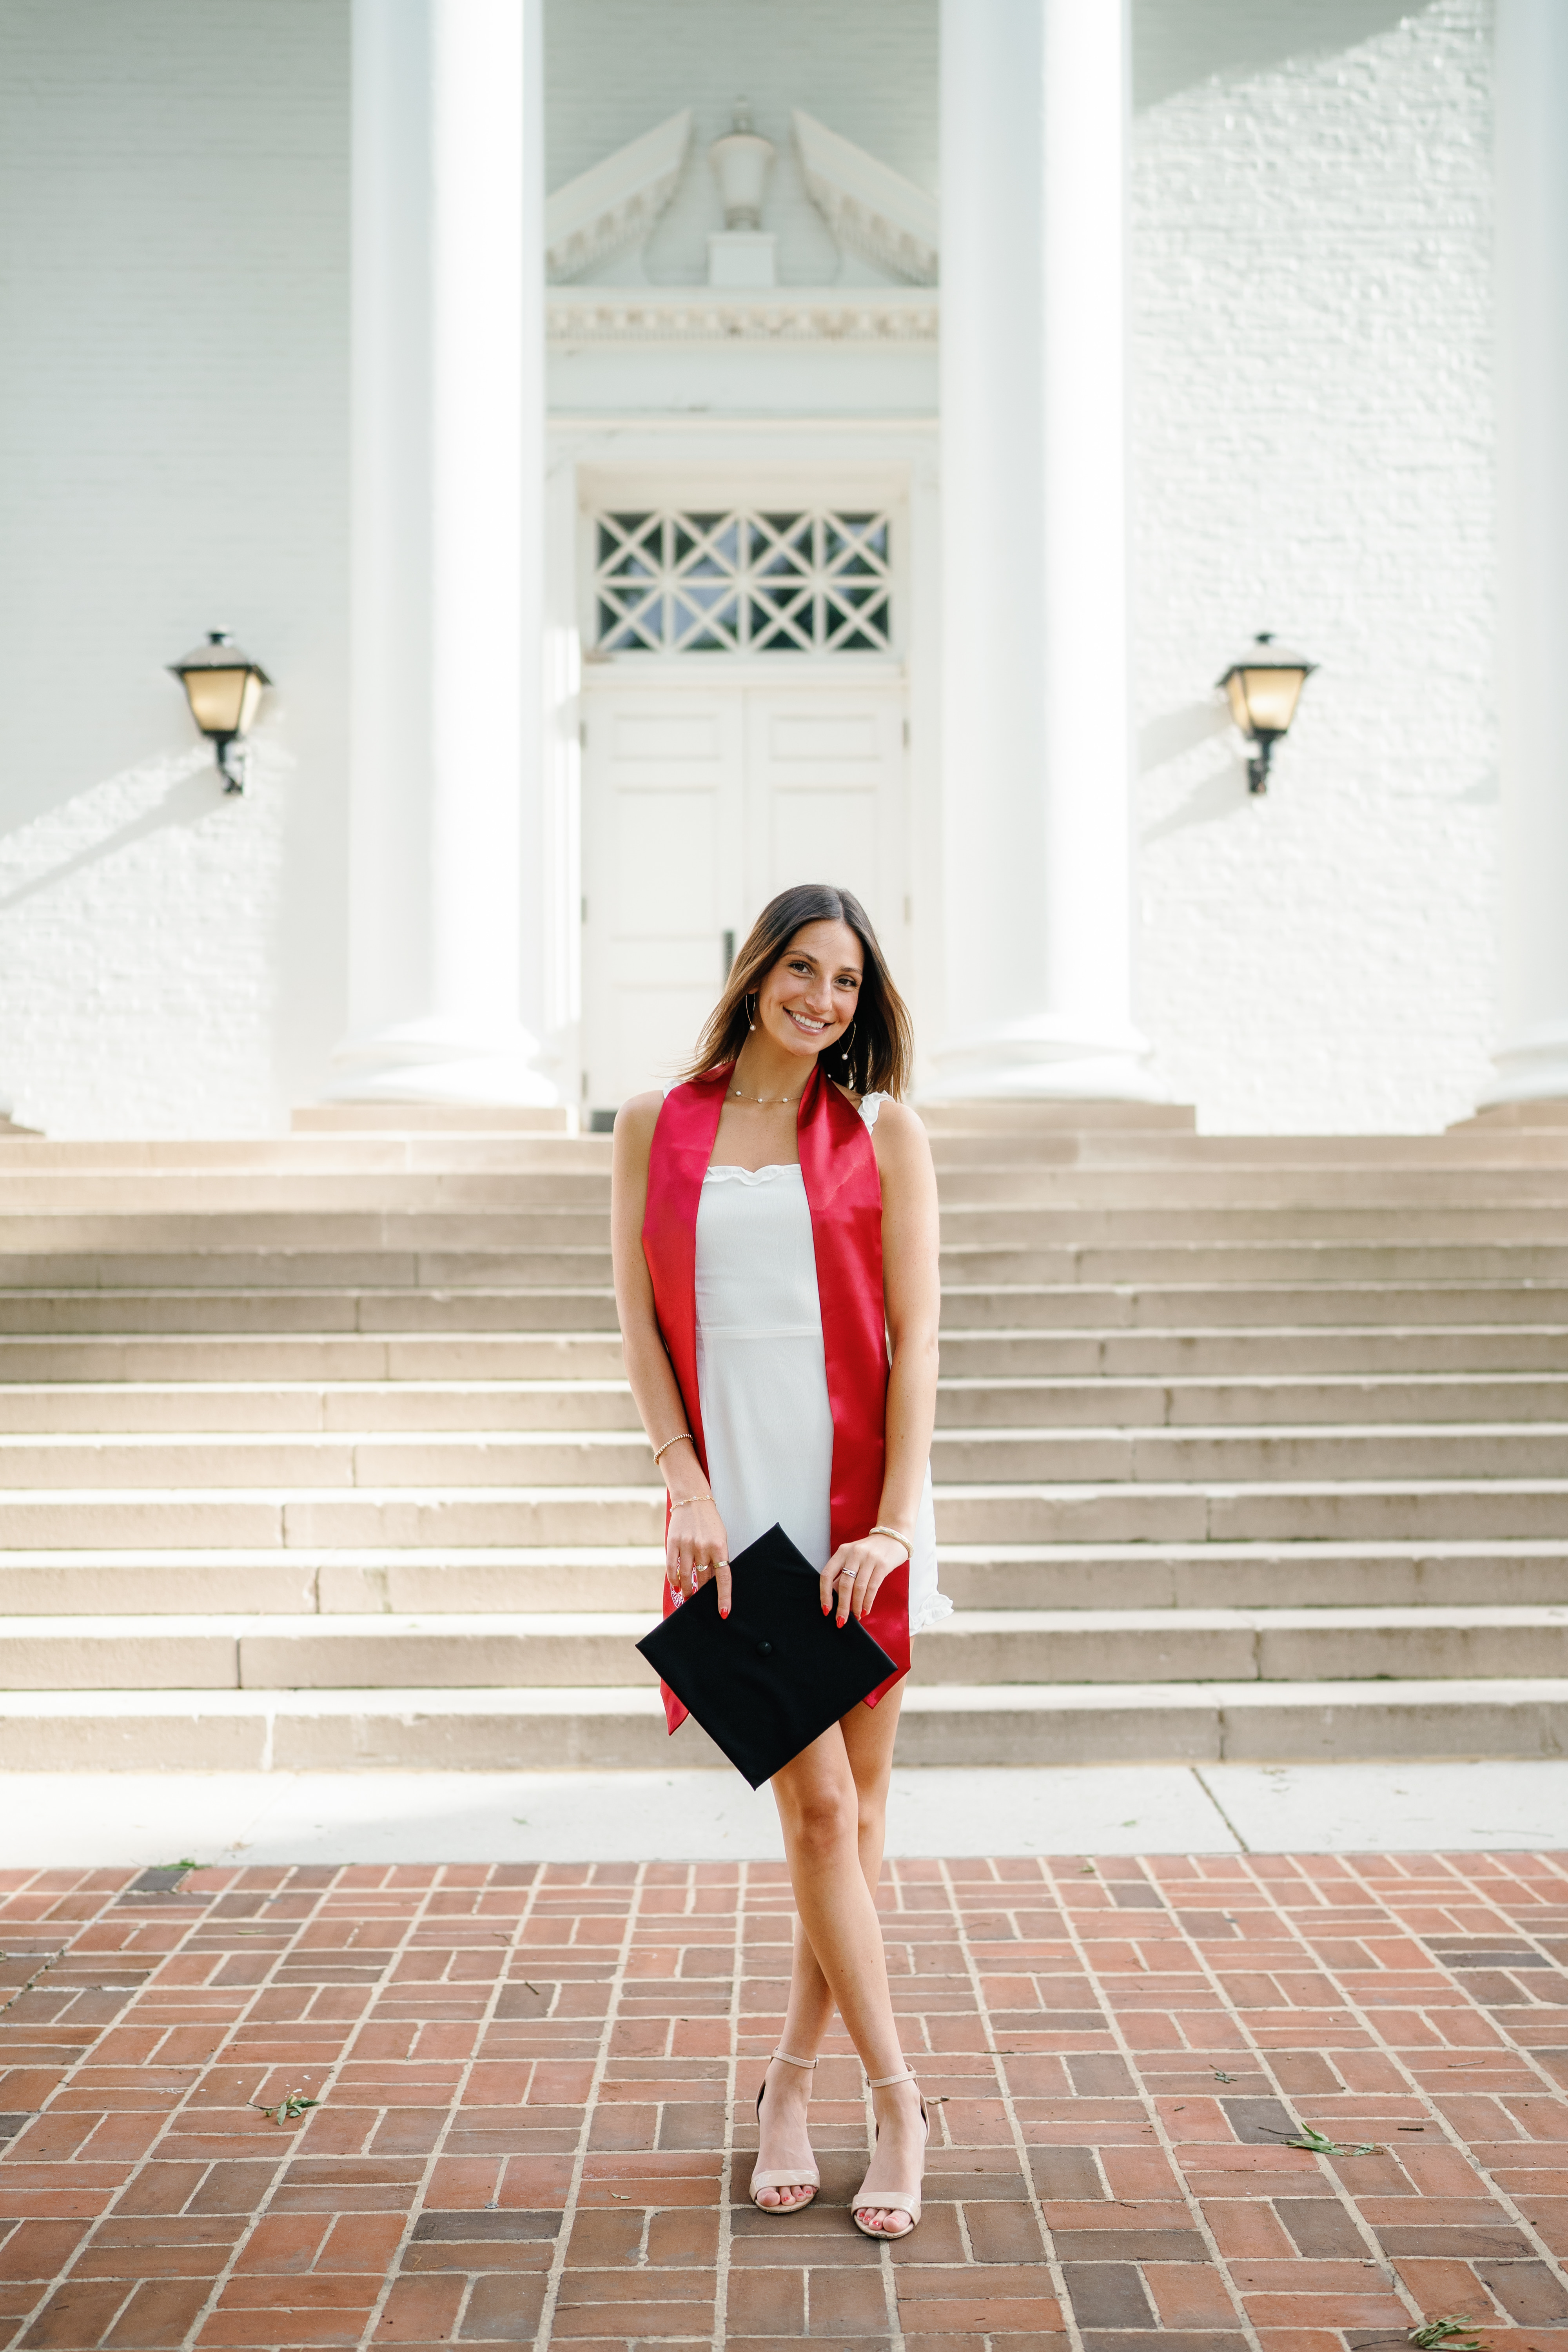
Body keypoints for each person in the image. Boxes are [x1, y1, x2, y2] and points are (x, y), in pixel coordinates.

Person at [612, 882, 948, 2241]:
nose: (823, 999)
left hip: (860, 1512)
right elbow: (636, 1323)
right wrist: (681, 1478)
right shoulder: (658, 1124)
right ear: (755, 972)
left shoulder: (882, 1130)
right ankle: (900, 2100)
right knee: (817, 1819)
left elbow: (918, 1339)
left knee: (856, 1830)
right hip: (735, 1517)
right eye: (801, 970)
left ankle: (788, 2089)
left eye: (848, 983)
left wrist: (898, 1525)